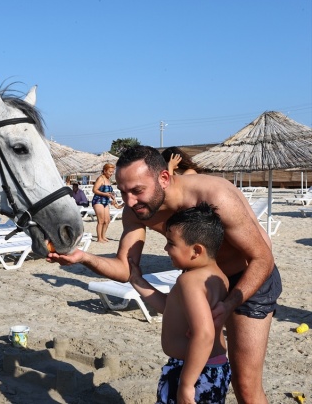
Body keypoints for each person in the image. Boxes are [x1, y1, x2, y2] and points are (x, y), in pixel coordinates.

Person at [48, 145, 280, 403]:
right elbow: (127, 268)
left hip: (248, 278)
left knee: (245, 384)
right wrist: (84, 257)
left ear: (164, 178)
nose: (130, 202)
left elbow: (262, 258)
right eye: (123, 192)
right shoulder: (136, 211)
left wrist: (229, 304)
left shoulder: (214, 196)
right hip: (199, 284)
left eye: (137, 191)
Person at [129, 202, 231, 403]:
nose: (165, 248)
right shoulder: (218, 275)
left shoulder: (189, 281)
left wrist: (185, 384)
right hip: (212, 369)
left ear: (196, 250)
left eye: (171, 243)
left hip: (193, 372)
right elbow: (171, 308)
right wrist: (138, 282)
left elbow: (204, 334)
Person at [91, 163, 122, 242]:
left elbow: (110, 192)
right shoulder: (100, 178)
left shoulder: (108, 180)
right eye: (110, 172)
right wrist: (104, 194)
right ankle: (99, 238)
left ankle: (103, 236)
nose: (111, 173)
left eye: (112, 172)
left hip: (106, 201)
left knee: (107, 220)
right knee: (101, 221)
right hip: (98, 200)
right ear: (105, 171)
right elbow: (94, 190)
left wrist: (112, 196)